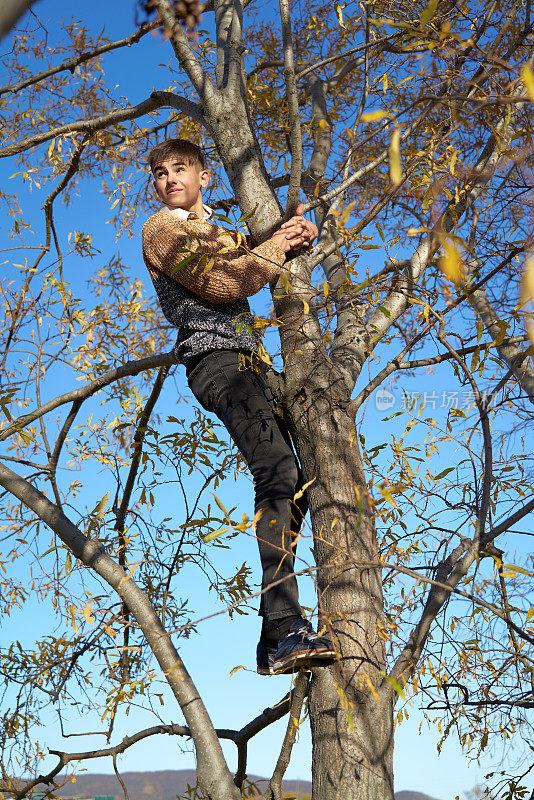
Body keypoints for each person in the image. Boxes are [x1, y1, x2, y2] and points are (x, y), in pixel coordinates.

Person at [142, 138, 335, 675]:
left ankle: (274, 635)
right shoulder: (163, 228)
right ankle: (283, 630)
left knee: (295, 481)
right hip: (219, 365)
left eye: (180, 169)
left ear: (204, 177)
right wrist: (278, 247)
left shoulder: (215, 232)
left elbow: (245, 249)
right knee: (275, 472)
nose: (169, 179)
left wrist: (287, 232)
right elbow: (226, 280)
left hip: (253, 365)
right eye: (159, 173)